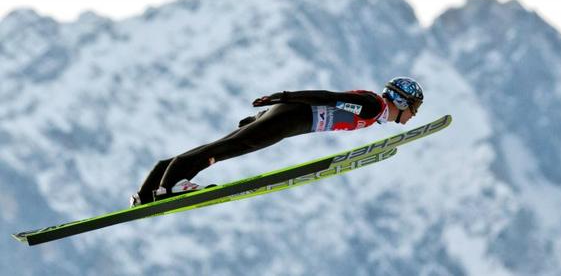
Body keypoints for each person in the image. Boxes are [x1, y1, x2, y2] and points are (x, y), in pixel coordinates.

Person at [130, 77, 424, 206]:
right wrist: (283, 97)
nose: (414, 115)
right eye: (414, 108)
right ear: (401, 101)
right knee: (225, 149)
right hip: (292, 117)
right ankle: (170, 187)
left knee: (224, 146)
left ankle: (148, 192)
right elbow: (329, 97)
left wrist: (261, 116)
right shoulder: (372, 107)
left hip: (289, 117)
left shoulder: (373, 110)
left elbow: (329, 101)